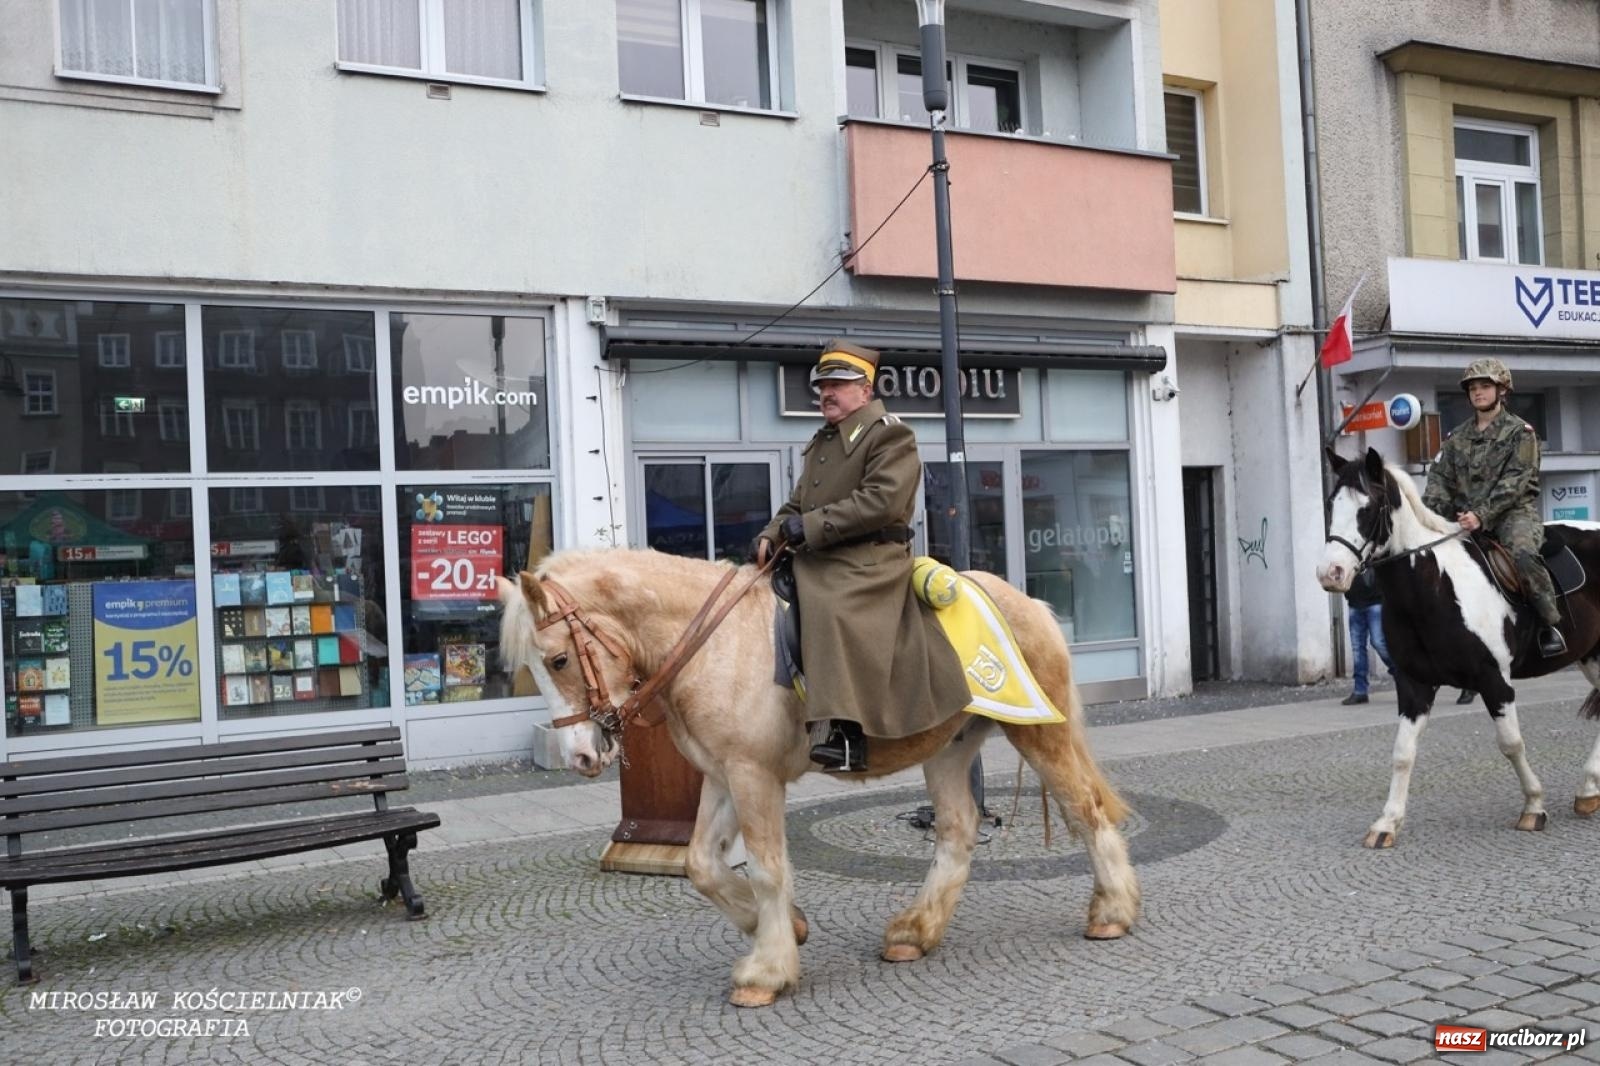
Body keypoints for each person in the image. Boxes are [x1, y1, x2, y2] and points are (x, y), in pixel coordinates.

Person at [753, 340, 969, 772]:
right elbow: (799, 503)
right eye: (822, 386)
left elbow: (882, 502)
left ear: (865, 391)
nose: (826, 393)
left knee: (830, 605)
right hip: (826, 552)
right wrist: (772, 532)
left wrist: (810, 528)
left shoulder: (889, 434)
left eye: (838, 384)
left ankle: (845, 732)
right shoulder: (823, 442)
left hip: (870, 558)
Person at [1422, 357, 1565, 658]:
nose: (1478, 392)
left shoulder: (1520, 433)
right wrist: (1430, 513)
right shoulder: (1456, 437)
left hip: (1513, 513)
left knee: (1524, 555)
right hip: (1465, 517)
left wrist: (1482, 515)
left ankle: (1549, 624)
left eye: (1485, 386)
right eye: (1473, 388)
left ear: (1502, 391)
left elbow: (1515, 482)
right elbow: (1439, 478)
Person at [1341, 568, 1392, 705]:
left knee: (1378, 642)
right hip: (1354, 603)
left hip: (1375, 602)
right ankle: (1360, 691)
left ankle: (1402, 673)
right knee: (1357, 648)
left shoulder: (1371, 550)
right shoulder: (1346, 554)